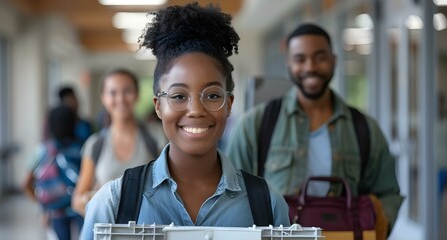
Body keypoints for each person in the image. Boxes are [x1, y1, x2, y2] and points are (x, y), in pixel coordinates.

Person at [80, 3, 290, 239]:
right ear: (158, 106)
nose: (196, 110)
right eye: (179, 96)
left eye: (212, 95)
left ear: (229, 104)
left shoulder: (266, 204)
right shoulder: (112, 204)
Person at [226, 23, 403, 233]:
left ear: (334, 60)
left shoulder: (365, 128)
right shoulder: (254, 124)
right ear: (289, 63)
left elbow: (388, 193)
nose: (310, 67)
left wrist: (377, 226)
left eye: (320, 57)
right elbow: (231, 195)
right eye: (300, 59)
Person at [71, 68, 167, 216]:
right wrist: (93, 201)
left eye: (127, 91)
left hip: (149, 229)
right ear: (103, 97)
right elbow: (77, 201)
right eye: (113, 92)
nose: (120, 98)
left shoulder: (157, 136)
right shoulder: (95, 144)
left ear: (137, 95)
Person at [23, 106, 84, 240]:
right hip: (80, 207)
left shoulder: (42, 150)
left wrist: (42, 206)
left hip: (55, 210)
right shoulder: (82, 149)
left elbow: (26, 184)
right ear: (73, 123)